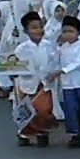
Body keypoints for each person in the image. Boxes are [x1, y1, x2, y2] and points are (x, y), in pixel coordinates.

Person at [12, 12, 57, 147]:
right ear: (26, 31)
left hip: (45, 83)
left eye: (40, 27)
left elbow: (55, 61)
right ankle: (24, 134)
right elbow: (15, 65)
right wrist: (13, 73)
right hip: (27, 84)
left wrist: (53, 72)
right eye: (34, 28)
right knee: (27, 111)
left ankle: (42, 133)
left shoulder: (49, 45)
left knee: (44, 110)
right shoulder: (21, 49)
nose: (38, 30)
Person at [53, 15, 80, 148]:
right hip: (68, 84)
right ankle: (74, 134)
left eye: (71, 31)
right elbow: (56, 60)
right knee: (70, 108)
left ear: (79, 33)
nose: (67, 34)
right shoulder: (62, 48)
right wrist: (57, 47)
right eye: (64, 31)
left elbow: (79, 62)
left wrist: (62, 70)